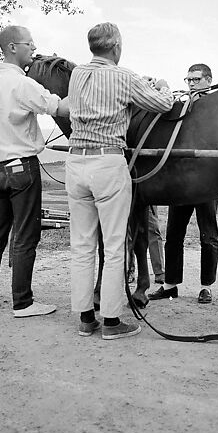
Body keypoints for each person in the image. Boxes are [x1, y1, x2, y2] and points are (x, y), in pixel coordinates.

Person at [66, 22, 174, 339]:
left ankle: (87, 317)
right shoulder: (123, 76)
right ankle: (112, 322)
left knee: (82, 244)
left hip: (75, 161)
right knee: (114, 247)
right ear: (116, 47)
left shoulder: (76, 75)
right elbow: (164, 104)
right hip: (107, 162)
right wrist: (163, 84)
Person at [0, 25, 70, 317]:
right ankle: (23, 302)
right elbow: (58, 108)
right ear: (12, 47)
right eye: (29, 43)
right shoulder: (22, 83)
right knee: (26, 235)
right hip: (22, 168)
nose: (34, 47)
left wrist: (0, 137)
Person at [148, 63, 218, 305]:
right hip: (181, 179)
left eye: (196, 79)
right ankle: (170, 285)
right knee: (173, 234)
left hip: (208, 180)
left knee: (208, 235)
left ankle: (206, 287)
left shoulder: (217, 106)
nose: (190, 83)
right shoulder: (182, 104)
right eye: (188, 79)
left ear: (208, 80)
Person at [126, 205, 166, 284]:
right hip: (127, 194)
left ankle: (160, 271)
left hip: (147, 195)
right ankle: (130, 269)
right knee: (129, 233)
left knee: (153, 228)